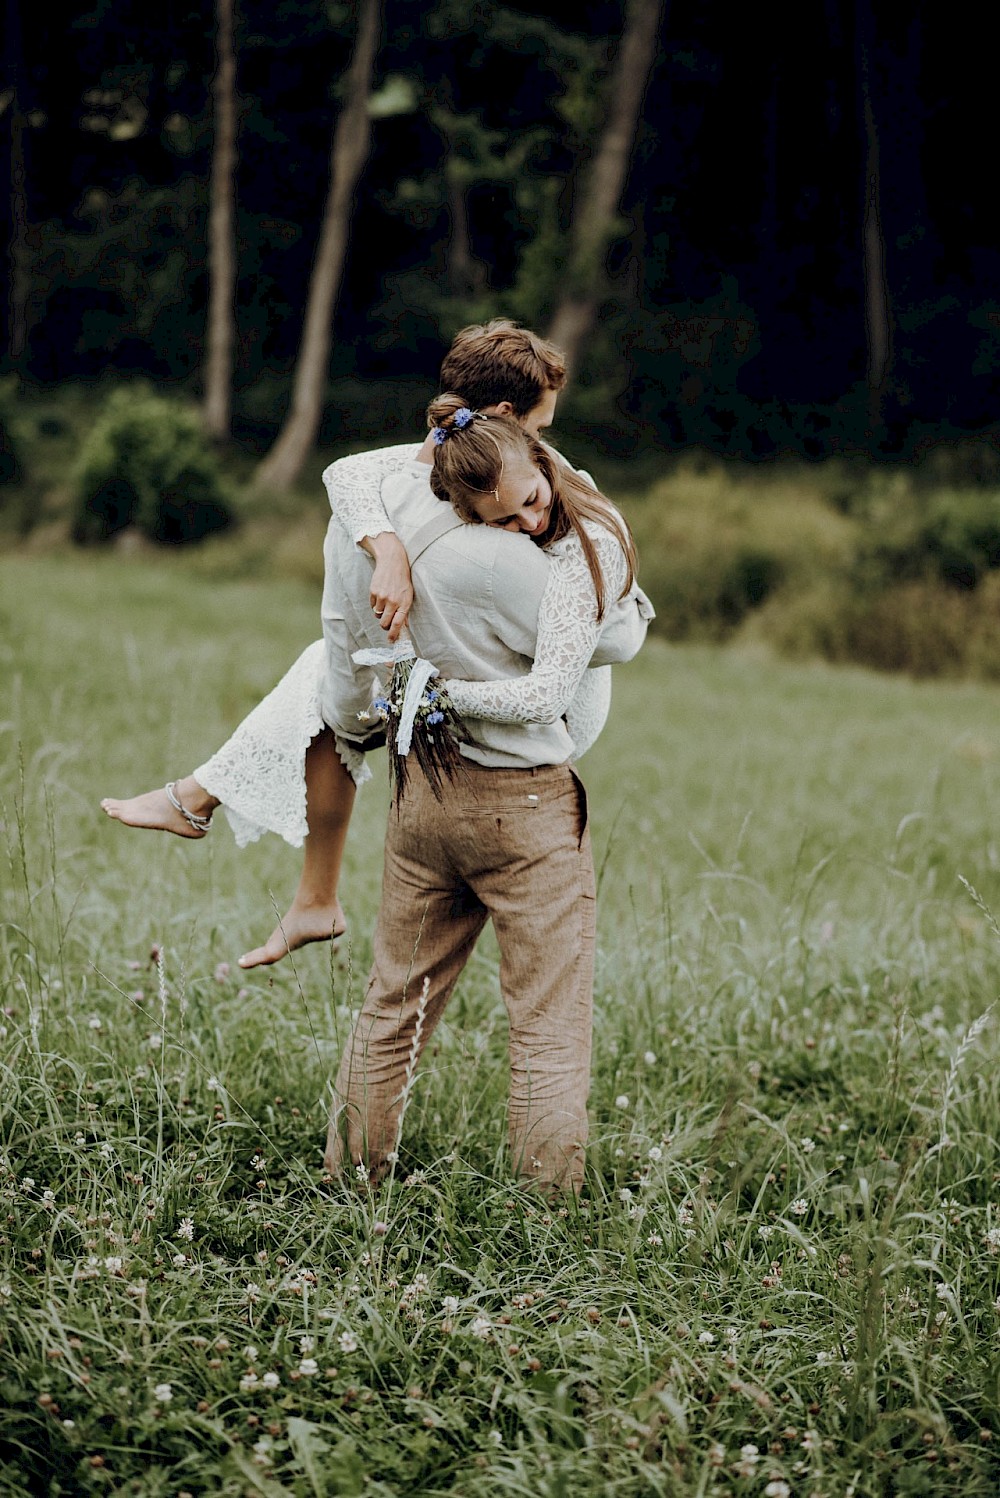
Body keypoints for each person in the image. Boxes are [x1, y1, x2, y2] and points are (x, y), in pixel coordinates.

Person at [100, 320, 652, 968]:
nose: (545, 440)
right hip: (512, 679)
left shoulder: (542, 476)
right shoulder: (456, 464)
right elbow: (346, 473)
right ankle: (285, 874)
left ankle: (210, 808)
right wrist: (384, 546)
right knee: (336, 669)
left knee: (340, 674)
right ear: (505, 414)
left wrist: (428, 688)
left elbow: (607, 639)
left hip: (567, 698)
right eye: (542, 424)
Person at [320, 402, 648, 1192]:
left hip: (423, 793)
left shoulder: (396, 523)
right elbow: (607, 647)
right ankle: (547, 1212)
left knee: (392, 1004)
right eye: (508, 513)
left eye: (532, 503)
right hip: (522, 805)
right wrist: (449, 690)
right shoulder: (528, 564)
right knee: (548, 1021)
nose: (530, 522)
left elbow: (348, 476)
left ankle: (348, 1181)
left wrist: (413, 696)